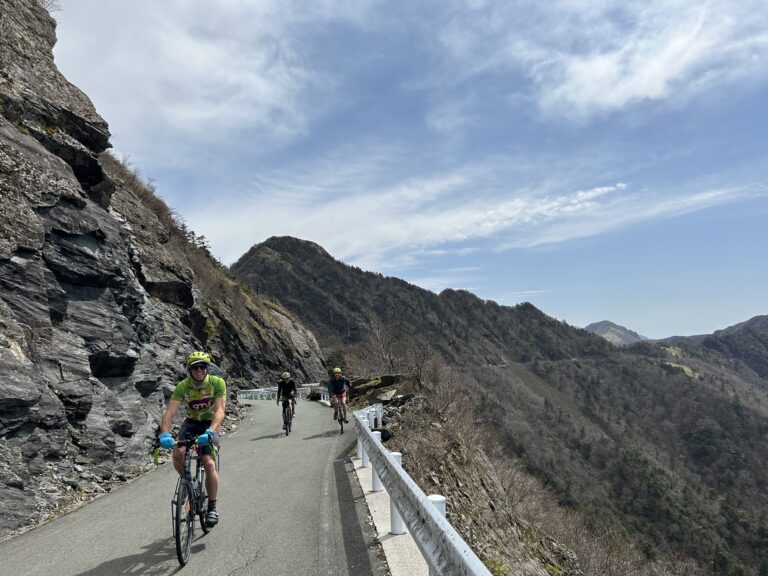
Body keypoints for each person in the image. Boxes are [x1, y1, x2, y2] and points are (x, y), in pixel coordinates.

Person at [158, 351, 226, 526]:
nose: (199, 370)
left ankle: (212, 507)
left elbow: (220, 410)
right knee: (177, 453)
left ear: (207, 368)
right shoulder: (184, 386)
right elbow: (170, 411)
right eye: (195, 367)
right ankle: (189, 482)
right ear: (190, 370)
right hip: (191, 423)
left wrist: (211, 431)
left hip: (210, 424)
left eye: (202, 367)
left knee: (208, 462)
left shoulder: (217, 383)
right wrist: (165, 432)